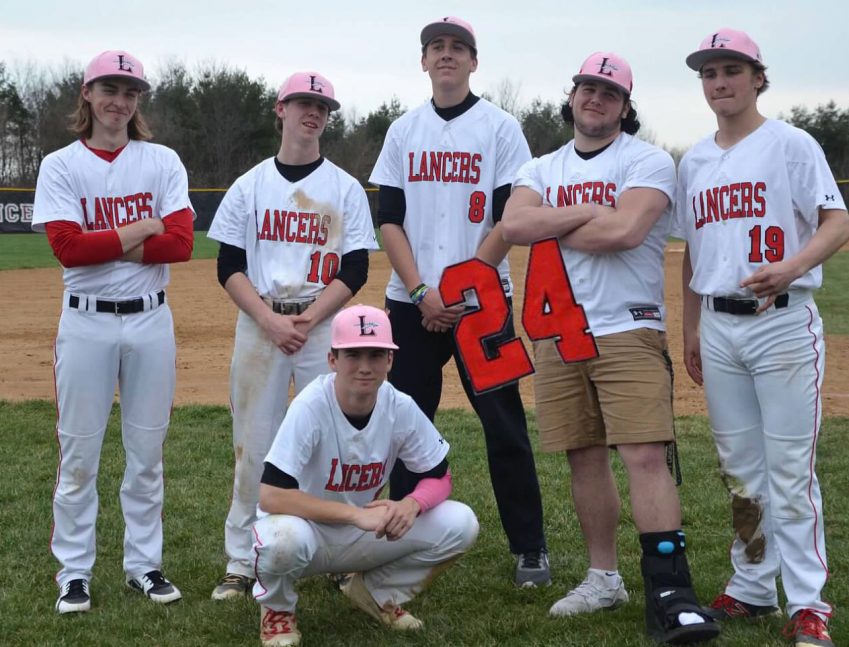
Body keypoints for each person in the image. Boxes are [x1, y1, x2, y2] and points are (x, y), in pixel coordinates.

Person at [502, 51, 720, 644]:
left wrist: (555, 218)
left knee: (644, 456)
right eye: (586, 89)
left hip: (628, 326)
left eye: (609, 93)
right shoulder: (540, 164)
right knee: (583, 457)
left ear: (625, 107)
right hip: (559, 332)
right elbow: (514, 227)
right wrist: (591, 209)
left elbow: (626, 232)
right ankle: (604, 577)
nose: (595, 99)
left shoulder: (647, 159)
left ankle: (670, 589)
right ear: (571, 97)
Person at [676, 28, 849, 647]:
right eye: (709, 72)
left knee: (789, 469)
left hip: (780, 320)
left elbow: (838, 219)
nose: (719, 81)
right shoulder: (693, 160)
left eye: (731, 70)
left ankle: (808, 603)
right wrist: (691, 328)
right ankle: (751, 583)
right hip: (719, 326)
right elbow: (692, 253)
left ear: (757, 77)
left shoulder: (790, 143)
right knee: (740, 470)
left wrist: (795, 265)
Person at [368, 15, 549, 587]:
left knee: (504, 425)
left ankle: (530, 547)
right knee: (403, 427)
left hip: (484, 303)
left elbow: (508, 220)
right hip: (411, 301)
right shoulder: (402, 131)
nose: (446, 55)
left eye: (458, 48)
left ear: (474, 62)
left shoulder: (500, 128)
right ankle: (398, 542)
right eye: (436, 48)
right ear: (423, 61)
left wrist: (463, 285)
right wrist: (422, 290)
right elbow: (388, 221)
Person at [32, 49, 194, 613]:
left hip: (151, 319)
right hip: (85, 322)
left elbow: (181, 244)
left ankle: (144, 566)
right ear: (87, 93)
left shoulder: (162, 160)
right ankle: (73, 573)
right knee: (78, 455)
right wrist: (143, 225)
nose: (119, 102)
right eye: (109, 89)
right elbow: (69, 251)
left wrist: (112, 239)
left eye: (129, 93)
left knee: (146, 453)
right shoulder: (60, 165)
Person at [206, 72, 379, 600]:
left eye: (323, 105)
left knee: (333, 444)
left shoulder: (345, 188)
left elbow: (355, 269)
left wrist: (307, 319)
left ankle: (341, 556)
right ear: (280, 109)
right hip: (262, 324)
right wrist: (271, 320)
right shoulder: (250, 184)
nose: (314, 112)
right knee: (252, 445)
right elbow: (229, 265)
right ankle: (241, 561)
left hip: (324, 325)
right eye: (304, 102)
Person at [251, 304, 479, 647]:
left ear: (390, 360)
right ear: (332, 360)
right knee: (281, 539)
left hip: (363, 531)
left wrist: (413, 504)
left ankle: (377, 594)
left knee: (461, 523)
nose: (364, 366)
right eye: (353, 355)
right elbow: (272, 496)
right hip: (307, 530)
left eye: (376, 355)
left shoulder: (399, 406)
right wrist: (354, 515)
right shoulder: (312, 405)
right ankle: (278, 609)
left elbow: (439, 477)